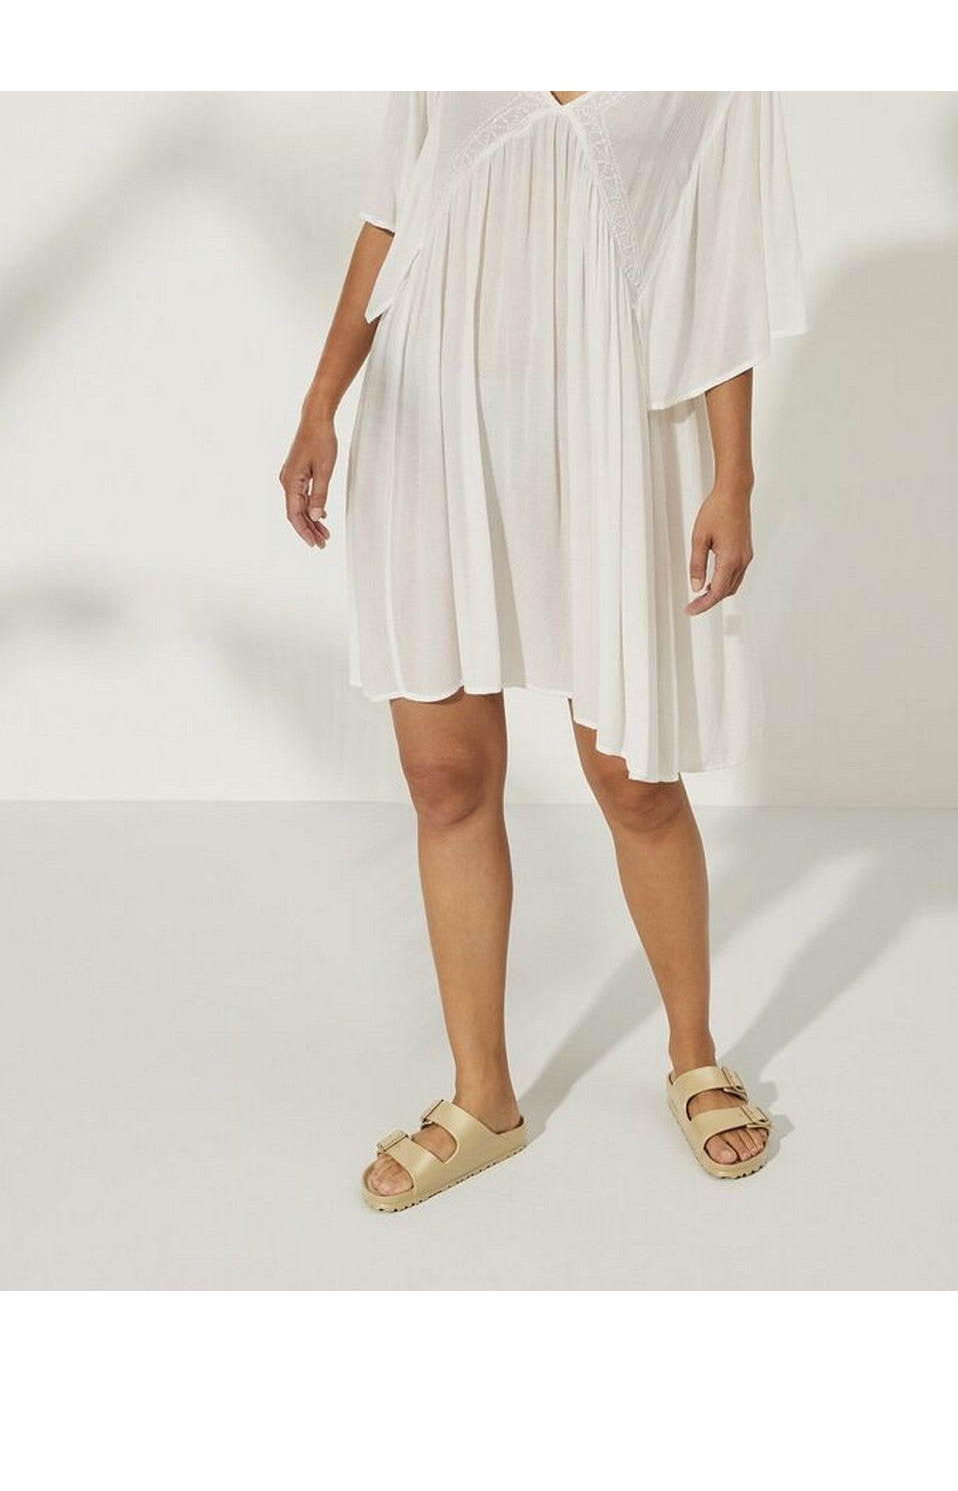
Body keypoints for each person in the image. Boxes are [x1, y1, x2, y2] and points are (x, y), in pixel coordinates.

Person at [278, 91, 808, 1212]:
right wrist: (324, 399)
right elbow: (390, 213)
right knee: (444, 775)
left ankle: (695, 1056)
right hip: (431, 425)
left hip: (616, 436)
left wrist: (734, 475)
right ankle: (483, 1096)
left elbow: (723, 271)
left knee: (633, 777)